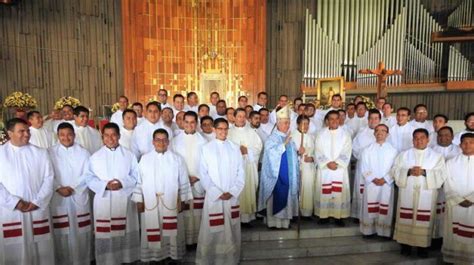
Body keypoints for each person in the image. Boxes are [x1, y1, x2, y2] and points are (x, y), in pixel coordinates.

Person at [0, 118, 54, 264]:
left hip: (36, 208)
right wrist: (15, 202)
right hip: (12, 211)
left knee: (41, 249)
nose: (27, 134)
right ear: (10, 133)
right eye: (21, 131)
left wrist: (38, 201)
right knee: (14, 250)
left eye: (28, 131)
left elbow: (49, 178)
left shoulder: (41, 153)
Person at [84, 123, 140, 264]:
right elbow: (89, 178)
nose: (110, 138)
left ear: (119, 136)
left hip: (124, 197)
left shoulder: (129, 155)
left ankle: (127, 258)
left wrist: (123, 183)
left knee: (125, 230)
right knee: (106, 232)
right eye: (107, 135)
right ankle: (107, 260)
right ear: (102, 137)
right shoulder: (95, 157)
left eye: (113, 135)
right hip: (104, 199)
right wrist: (105, 185)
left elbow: (136, 175)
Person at [134, 128, 193, 263]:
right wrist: (139, 200)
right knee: (153, 230)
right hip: (150, 201)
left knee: (171, 231)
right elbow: (139, 180)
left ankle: (171, 256)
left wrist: (183, 200)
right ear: (153, 142)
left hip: (171, 201)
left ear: (168, 142)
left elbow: (183, 180)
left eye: (164, 140)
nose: (161, 142)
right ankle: (154, 257)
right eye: (158, 140)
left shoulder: (177, 159)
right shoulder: (145, 159)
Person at [196, 118, 244, 265]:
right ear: (214, 130)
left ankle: (230, 259)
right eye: (220, 129)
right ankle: (210, 259)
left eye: (225, 129)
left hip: (231, 196)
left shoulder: (235, 148)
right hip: (214, 197)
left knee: (231, 229)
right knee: (212, 230)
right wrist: (216, 192)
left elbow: (241, 172)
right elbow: (203, 174)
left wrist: (233, 191)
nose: (223, 132)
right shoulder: (206, 148)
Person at [391, 128, 446, 257]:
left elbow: (442, 174)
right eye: (416, 138)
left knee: (424, 220)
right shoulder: (403, 155)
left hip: (426, 195)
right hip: (407, 193)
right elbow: (395, 170)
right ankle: (405, 246)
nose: (419, 140)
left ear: (428, 139)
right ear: (412, 140)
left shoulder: (437, 157)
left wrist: (425, 172)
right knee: (406, 217)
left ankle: (422, 248)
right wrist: (408, 172)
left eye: (422, 138)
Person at [48, 122, 92, 265]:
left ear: (74, 135)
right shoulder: (49, 152)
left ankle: (83, 260)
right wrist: (58, 187)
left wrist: (73, 188)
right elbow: (47, 175)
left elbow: (88, 174)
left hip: (78, 195)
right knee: (62, 232)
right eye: (62, 135)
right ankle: (63, 261)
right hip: (58, 197)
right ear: (57, 136)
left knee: (81, 231)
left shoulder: (84, 152)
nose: (66, 137)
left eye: (69, 134)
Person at [171, 111, 209, 246]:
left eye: (192, 122)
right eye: (186, 122)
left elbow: (207, 163)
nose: (189, 125)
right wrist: (185, 178)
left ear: (196, 123)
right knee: (184, 213)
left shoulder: (204, 141)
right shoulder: (174, 142)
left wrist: (197, 176)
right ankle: (184, 241)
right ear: (182, 123)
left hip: (199, 182)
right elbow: (173, 162)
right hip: (182, 182)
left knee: (198, 213)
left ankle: (198, 241)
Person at [258, 106, 299, 229]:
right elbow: (271, 153)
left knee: (287, 196)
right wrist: (283, 145)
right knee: (276, 196)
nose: (287, 125)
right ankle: (274, 223)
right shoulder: (273, 138)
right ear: (278, 123)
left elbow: (292, 157)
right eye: (285, 123)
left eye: (288, 123)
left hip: (288, 174)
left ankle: (284, 223)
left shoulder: (289, 138)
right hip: (277, 176)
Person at [314, 110, 352, 226]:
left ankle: (338, 217)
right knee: (324, 191)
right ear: (327, 121)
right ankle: (323, 216)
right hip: (325, 169)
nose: (334, 121)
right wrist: (326, 163)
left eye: (337, 118)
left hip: (339, 169)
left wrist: (338, 163)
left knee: (338, 192)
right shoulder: (320, 134)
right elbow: (317, 150)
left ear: (340, 120)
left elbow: (347, 150)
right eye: (331, 119)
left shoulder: (345, 135)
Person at [359, 124, 397, 237]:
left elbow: (395, 167)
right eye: (377, 130)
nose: (380, 133)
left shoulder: (393, 151)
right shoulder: (367, 150)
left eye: (383, 131)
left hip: (386, 185)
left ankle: (383, 232)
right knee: (370, 207)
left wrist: (386, 179)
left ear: (387, 134)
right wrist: (373, 179)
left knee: (385, 207)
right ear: (374, 133)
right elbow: (364, 167)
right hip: (372, 184)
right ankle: (369, 230)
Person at [442, 133, 474, 264]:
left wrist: (472, 198)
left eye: (471, 142)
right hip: (455, 204)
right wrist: (458, 199)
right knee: (454, 235)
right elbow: (447, 182)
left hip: (473, 206)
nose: (467, 145)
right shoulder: (450, 163)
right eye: (465, 142)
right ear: (460, 145)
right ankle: (454, 258)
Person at [228, 108, 263, 223]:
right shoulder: (228, 132)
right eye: (239, 116)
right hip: (234, 169)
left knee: (247, 190)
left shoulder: (251, 132)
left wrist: (247, 151)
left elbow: (258, 147)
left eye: (243, 116)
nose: (241, 119)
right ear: (234, 117)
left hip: (248, 167)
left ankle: (247, 219)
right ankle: (235, 218)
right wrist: (238, 152)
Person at [431, 126, 461, 240]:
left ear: (452, 137)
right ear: (437, 137)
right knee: (435, 214)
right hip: (436, 188)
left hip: (453, 188)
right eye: (441, 135)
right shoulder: (431, 150)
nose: (443, 138)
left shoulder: (460, 150)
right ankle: (435, 237)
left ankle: (448, 239)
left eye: (447, 135)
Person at [351, 109, 381, 219]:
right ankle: (359, 215)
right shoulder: (361, 133)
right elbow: (355, 149)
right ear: (368, 120)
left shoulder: (385, 133)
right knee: (361, 190)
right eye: (371, 118)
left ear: (380, 119)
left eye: (376, 118)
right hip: (363, 168)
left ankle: (375, 216)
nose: (373, 120)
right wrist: (366, 158)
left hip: (379, 169)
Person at [291, 115, 316, 216]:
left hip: (309, 168)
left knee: (308, 187)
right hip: (296, 166)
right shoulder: (292, 136)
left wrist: (312, 158)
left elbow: (316, 152)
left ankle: (306, 213)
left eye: (307, 124)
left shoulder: (311, 137)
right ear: (298, 124)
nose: (305, 126)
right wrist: (297, 152)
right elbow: (287, 152)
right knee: (297, 189)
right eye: (303, 124)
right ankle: (295, 212)